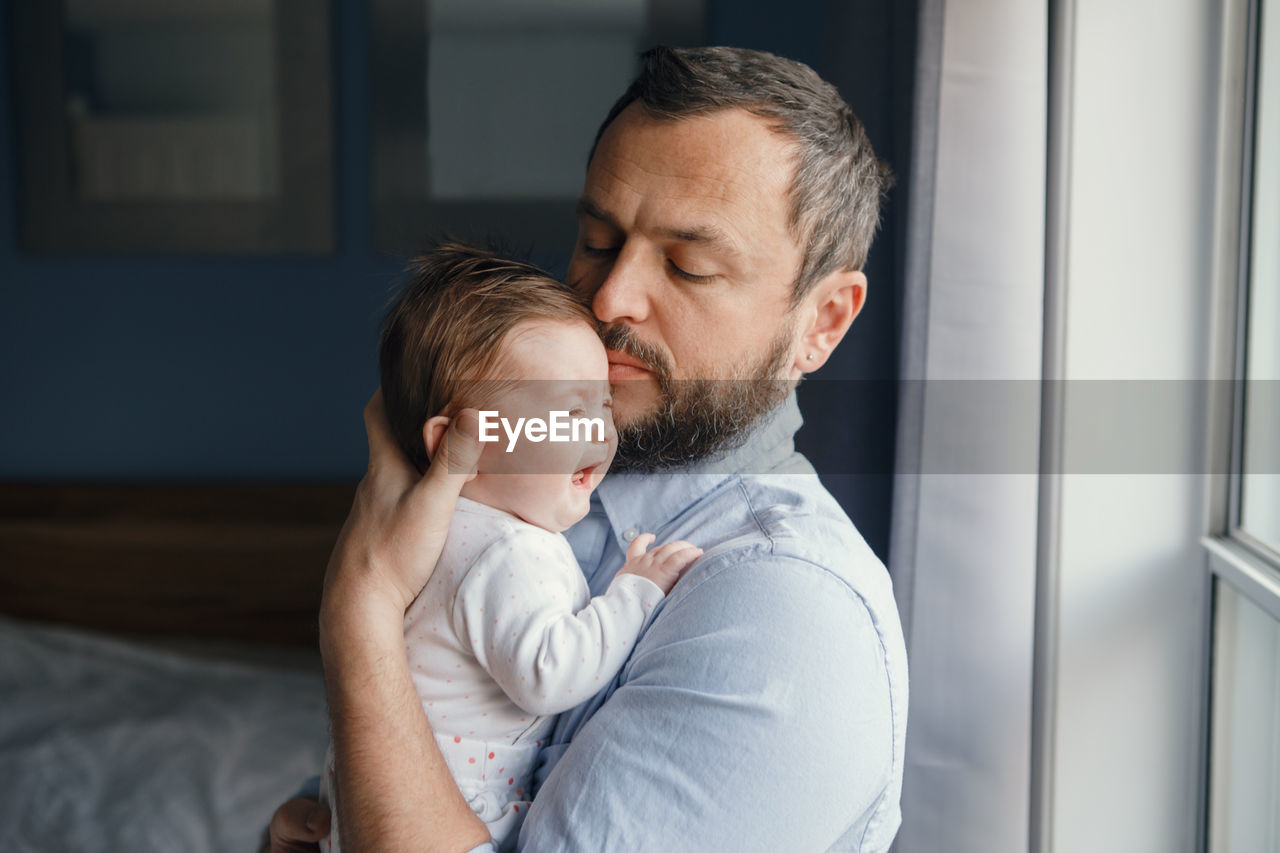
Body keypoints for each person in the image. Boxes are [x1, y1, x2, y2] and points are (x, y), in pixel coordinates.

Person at [265, 45, 908, 852]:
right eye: (599, 241)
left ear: (822, 323)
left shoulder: (783, 619)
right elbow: (388, 761)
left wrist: (355, 610)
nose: (608, 299)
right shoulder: (511, 482)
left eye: (688, 265)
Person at [319, 245, 703, 853]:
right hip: (453, 798)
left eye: (602, 403)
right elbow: (549, 674)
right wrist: (637, 589)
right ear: (458, 444)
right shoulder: (505, 551)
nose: (598, 432)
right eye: (568, 412)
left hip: (374, 793)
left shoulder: (434, 534)